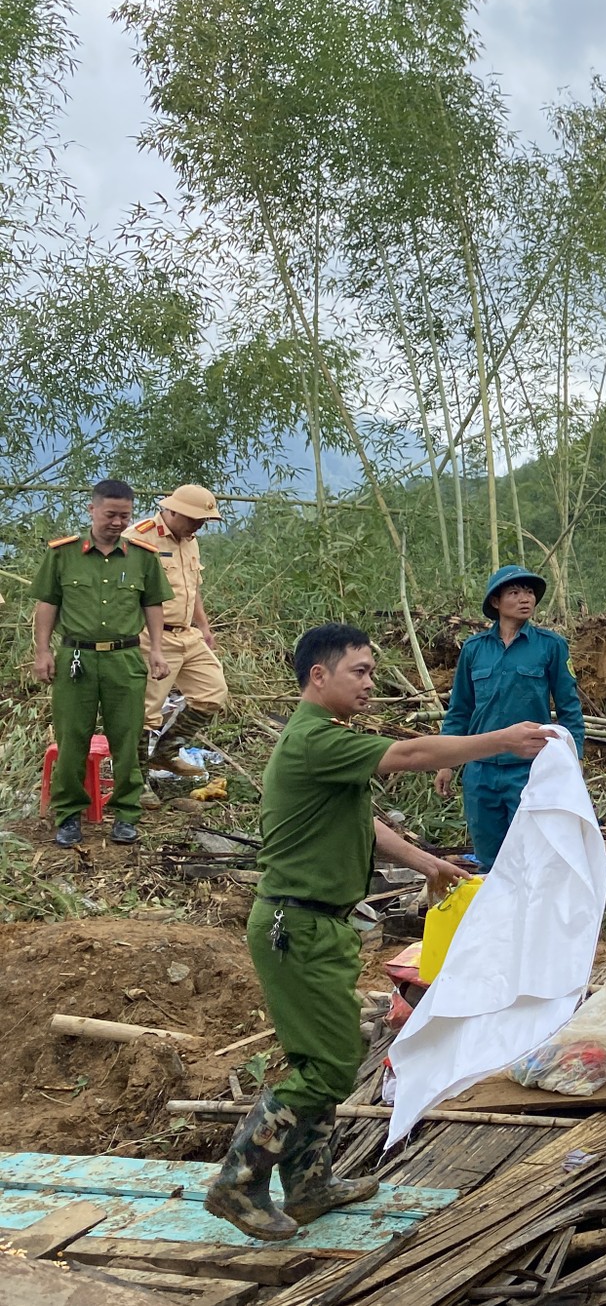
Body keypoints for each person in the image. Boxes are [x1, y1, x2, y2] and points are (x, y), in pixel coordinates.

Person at [205, 623, 552, 1241]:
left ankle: (309, 1185)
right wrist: (501, 739)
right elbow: (412, 756)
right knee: (329, 1066)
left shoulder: (325, 740)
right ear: (320, 675)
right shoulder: (312, 739)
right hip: (299, 926)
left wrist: (425, 862)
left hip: (320, 925)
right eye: (359, 671)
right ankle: (237, 1183)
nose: (370, 682)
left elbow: (359, 821)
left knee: (327, 1056)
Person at [31, 479, 171, 847]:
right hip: (76, 657)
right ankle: (68, 816)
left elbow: (153, 605)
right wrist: (43, 652)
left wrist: (156, 649)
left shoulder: (142, 556)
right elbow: (47, 605)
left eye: (124, 515)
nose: (117, 522)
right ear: (91, 510)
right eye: (110, 514)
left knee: (126, 738)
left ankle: (125, 814)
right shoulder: (63, 554)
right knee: (71, 738)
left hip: (124, 659)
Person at [436, 565, 584, 871]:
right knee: (490, 858)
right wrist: (446, 762)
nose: (525, 599)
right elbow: (460, 710)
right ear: (496, 602)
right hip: (480, 771)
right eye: (514, 593)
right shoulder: (475, 650)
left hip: (529, 769)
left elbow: (569, 707)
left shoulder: (550, 646)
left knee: (533, 856)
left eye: (529, 592)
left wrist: (574, 758)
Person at [124, 484, 230, 776]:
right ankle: (136, 778)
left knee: (212, 692)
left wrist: (204, 627)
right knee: (145, 710)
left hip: (187, 634)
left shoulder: (190, 540)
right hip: (151, 634)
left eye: (203, 521)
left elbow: (193, 589)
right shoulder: (139, 538)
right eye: (193, 519)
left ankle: (166, 752)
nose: (198, 526)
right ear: (171, 510)